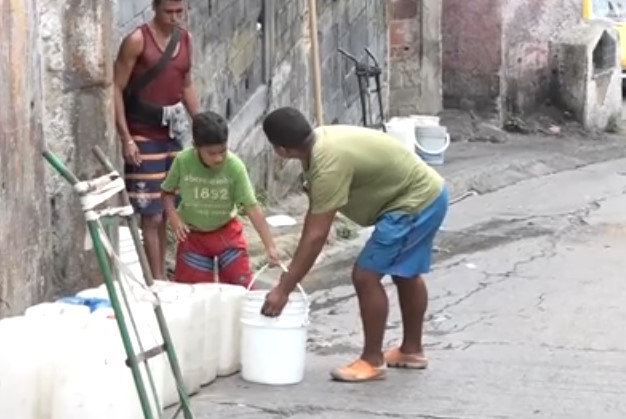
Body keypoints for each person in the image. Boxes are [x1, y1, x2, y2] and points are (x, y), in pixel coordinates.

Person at [258, 107, 449, 383]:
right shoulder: (320, 140)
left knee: (365, 275)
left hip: (415, 203)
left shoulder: (327, 163)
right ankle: (411, 350)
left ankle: (372, 360)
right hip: (427, 193)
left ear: (281, 150)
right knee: (403, 271)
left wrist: (283, 289)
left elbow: (315, 236)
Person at [112, 0, 199, 281]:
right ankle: (157, 281)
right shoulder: (136, 41)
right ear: (154, 8)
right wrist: (126, 138)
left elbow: (186, 84)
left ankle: (161, 273)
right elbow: (116, 88)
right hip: (142, 134)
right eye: (168, 12)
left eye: (179, 11)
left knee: (167, 208)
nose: (174, 18)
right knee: (150, 214)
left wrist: (198, 121)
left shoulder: (185, 40)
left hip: (173, 135)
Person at [161, 112, 282, 286]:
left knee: (241, 288)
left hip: (227, 235)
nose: (218, 158)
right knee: (196, 293)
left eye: (222, 151)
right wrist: (173, 217)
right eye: (211, 153)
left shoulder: (235, 167)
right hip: (193, 238)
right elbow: (166, 192)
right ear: (196, 147)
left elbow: (252, 208)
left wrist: (270, 246)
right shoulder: (183, 161)